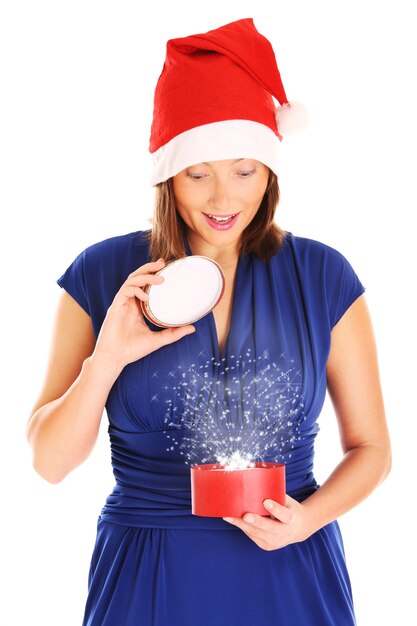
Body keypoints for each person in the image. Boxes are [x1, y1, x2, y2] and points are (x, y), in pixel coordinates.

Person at [26, 17, 391, 626]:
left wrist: (308, 517)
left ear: (270, 170)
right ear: (168, 174)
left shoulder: (324, 276)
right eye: (199, 173)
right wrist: (107, 358)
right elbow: (50, 463)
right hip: (149, 576)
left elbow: (372, 449)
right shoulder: (101, 273)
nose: (224, 200)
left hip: (290, 572)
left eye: (245, 171)